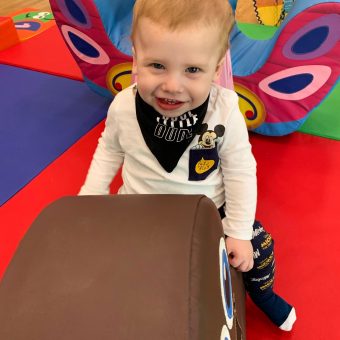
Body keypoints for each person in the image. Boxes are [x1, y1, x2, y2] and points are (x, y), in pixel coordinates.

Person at [79, 0, 296, 331]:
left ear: (217, 65)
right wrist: (92, 194)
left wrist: (237, 231)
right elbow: (109, 150)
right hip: (138, 206)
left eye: (192, 70)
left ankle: (263, 295)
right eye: (157, 65)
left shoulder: (223, 111)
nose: (172, 86)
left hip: (210, 210)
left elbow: (240, 171)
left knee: (259, 246)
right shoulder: (124, 106)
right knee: (114, 260)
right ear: (135, 54)